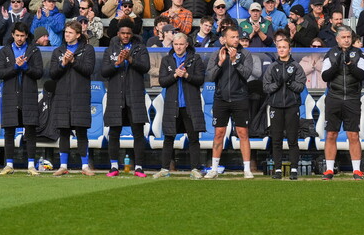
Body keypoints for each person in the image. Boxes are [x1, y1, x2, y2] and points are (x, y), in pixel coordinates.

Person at [204, 25, 255, 178]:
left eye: (237, 37)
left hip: (240, 98)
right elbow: (210, 76)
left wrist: (234, 62)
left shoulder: (245, 54)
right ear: (224, 39)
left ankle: (247, 169)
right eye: (232, 37)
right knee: (219, 133)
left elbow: (246, 74)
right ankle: (214, 169)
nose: (235, 40)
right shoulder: (216, 54)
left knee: (243, 133)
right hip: (221, 99)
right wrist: (220, 63)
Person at [101, 21, 150, 178]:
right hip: (116, 96)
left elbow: (146, 67)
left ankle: (139, 167)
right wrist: (117, 64)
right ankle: (114, 166)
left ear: (132, 34)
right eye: (123, 33)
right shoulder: (111, 49)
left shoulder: (140, 48)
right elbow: (103, 71)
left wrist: (130, 59)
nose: (126, 36)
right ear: (118, 34)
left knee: (138, 133)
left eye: (128, 33)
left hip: (134, 96)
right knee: (114, 133)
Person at [0, 22, 44, 175]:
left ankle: (31, 165)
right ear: (12, 35)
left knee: (30, 131)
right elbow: (0, 73)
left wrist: (25, 67)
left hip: (28, 95)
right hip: (10, 95)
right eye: (17, 35)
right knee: (9, 131)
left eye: (22, 35)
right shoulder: (4, 51)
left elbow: (39, 73)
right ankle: (9, 165)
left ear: (27, 36)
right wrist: (15, 67)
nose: (20, 38)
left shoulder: (34, 51)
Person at [155, 32, 206, 179]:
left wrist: (186, 76)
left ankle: (195, 168)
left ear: (186, 45)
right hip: (172, 105)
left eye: (181, 44)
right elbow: (162, 81)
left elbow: (200, 79)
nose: (178, 47)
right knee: (169, 137)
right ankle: (164, 169)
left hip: (190, 105)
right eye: (176, 44)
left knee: (193, 137)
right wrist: (175, 75)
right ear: (173, 45)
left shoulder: (195, 59)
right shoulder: (167, 60)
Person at [49, 20, 97, 176]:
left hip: (80, 96)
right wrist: (63, 64)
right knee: (64, 131)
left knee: (81, 131)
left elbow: (88, 70)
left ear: (77, 34)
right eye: (65, 32)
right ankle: (63, 166)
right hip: (62, 96)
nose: (66, 35)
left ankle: (84, 166)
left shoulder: (87, 50)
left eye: (70, 32)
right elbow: (52, 74)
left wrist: (74, 61)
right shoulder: (58, 51)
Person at [320, 25, 364, 180]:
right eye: (344, 37)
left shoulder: (359, 53)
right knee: (331, 134)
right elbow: (325, 76)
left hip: (352, 99)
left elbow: (362, 75)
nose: (347, 40)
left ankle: (356, 170)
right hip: (334, 98)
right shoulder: (331, 54)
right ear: (337, 39)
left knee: (353, 135)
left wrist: (350, 64)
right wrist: (336, 64)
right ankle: (329, 170)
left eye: (349, 37)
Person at [263, 33, 308, 180]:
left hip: (292, 106)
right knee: (276, 139)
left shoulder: (296, 67)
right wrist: (277, 84)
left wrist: (289, 83)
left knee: (292, 139)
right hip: (275, 106)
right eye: (279, 47)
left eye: (284, 47)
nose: (281, 50)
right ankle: (277, 170)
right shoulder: (272, 67)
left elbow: (301, 87)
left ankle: (294, 169)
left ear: (290, 49)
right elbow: (266, 87)